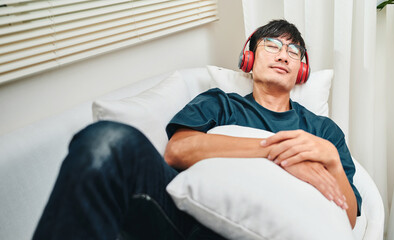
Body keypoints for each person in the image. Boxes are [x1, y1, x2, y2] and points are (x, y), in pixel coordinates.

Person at [33, 19, 361, 240]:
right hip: (189, 225)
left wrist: (331, 159)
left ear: (301, 69)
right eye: (272, 45)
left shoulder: (322, 131)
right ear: (249, 58)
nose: (283, 55)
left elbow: (346, 221)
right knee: (106, 140)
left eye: (294, 51)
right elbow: (178, 151)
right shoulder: (220, 103)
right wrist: (277, 152)